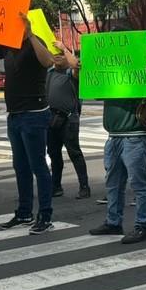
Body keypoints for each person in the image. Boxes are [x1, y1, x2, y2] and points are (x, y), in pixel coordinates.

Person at [0, 16, 58, 234]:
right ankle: (24, 212)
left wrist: (29, 33)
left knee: (38, 165)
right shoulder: (5, 46)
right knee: (20, 166)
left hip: (34, 113)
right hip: (15, 115)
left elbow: (48, 62)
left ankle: (45, 215)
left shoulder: (34, 41)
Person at [82, 44, 146, 244]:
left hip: (135, 134)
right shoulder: (109, 67)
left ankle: (143, 225)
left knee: (139, 182)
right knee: (113, 182)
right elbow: (96, 91)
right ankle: (114, 222)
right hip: (114, 135)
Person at [45, 51, 90, 200]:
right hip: (51, 120)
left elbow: (78, 67)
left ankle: (84, 187)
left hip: (68, 120)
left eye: (62, 55)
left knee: (74, 153)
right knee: (54, 154)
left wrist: (65, 49)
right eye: (56, 54)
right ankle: (56, 186)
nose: (58, 57)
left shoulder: (71, 74)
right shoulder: (49, 73)